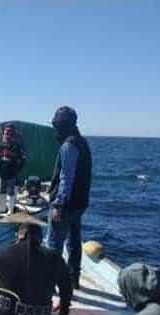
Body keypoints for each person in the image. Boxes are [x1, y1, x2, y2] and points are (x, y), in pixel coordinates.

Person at [44, 106, 92, 290]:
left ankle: (50, 284)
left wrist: (58, 205)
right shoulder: (82, 142)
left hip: (66, 205)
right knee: (74, 242)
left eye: (57, 124)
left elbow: (66, 177)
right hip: (80, 204)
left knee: (53, 245)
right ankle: (74, 279)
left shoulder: (68, 145)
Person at [0, 125, 26, 215]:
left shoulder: (16, 145)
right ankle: (2, 207)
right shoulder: (2, 144)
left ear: (12, 135)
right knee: (1, 189)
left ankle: (10, 210)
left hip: (11, 171)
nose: (6, 136)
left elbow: (19, 158)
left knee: (11, 191)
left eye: (8, 134)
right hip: (2, 171)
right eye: (5, 134)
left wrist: (15, 167)